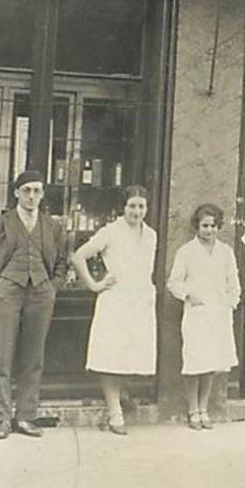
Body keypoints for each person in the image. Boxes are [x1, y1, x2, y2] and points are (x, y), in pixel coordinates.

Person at [0, 170, 67, 440]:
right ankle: (1, 419)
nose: (32, 196)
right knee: (2, 355)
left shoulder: (51, 226)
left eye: (37, 191)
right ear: (16, 193)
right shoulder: (1, 223)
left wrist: (52, 287)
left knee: (33, 357)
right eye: (26, 190)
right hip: (7, 293)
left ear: (43, 194)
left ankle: (26, 416)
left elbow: (62, 261)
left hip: (40, 294)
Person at [72, 185, 157, 436]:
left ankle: (122, 396)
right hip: (116, 300)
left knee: (129, 355)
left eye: (141, 206)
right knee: (110, 358)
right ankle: (114, 412)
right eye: (132, 206)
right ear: (123, 207)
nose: (137, 211)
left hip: (140, 300)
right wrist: (95, 285)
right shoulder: (111, 231)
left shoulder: (151, 234)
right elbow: (78, 256)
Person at [167, 203, 241, 430]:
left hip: (218, 313)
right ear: (196, 227)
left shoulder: (225, 252)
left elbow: (233, 282)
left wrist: (231, 301)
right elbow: (174, 282)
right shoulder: (187, 252)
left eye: (213, 226)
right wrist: (189, 294)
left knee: (211, 363)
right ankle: (192, 409)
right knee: (195, 362)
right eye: (204, 226)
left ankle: (204, 408)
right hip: (197, 313)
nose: (209, 230)